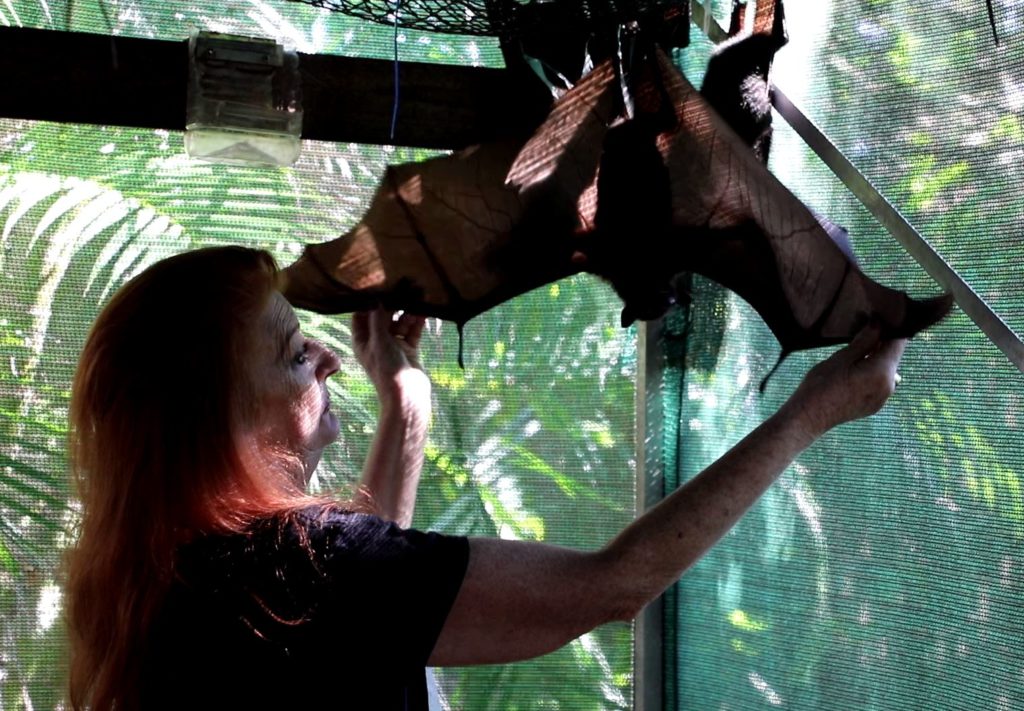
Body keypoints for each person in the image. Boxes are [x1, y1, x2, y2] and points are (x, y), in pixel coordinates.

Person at [64, 246, 906, 710]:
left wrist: (408, 407)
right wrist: (812, 411)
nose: (322, 354)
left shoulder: (171, 577)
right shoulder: (303, 566)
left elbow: (356, 632)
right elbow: (614, 585)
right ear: (224, 422)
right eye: (292, 354)